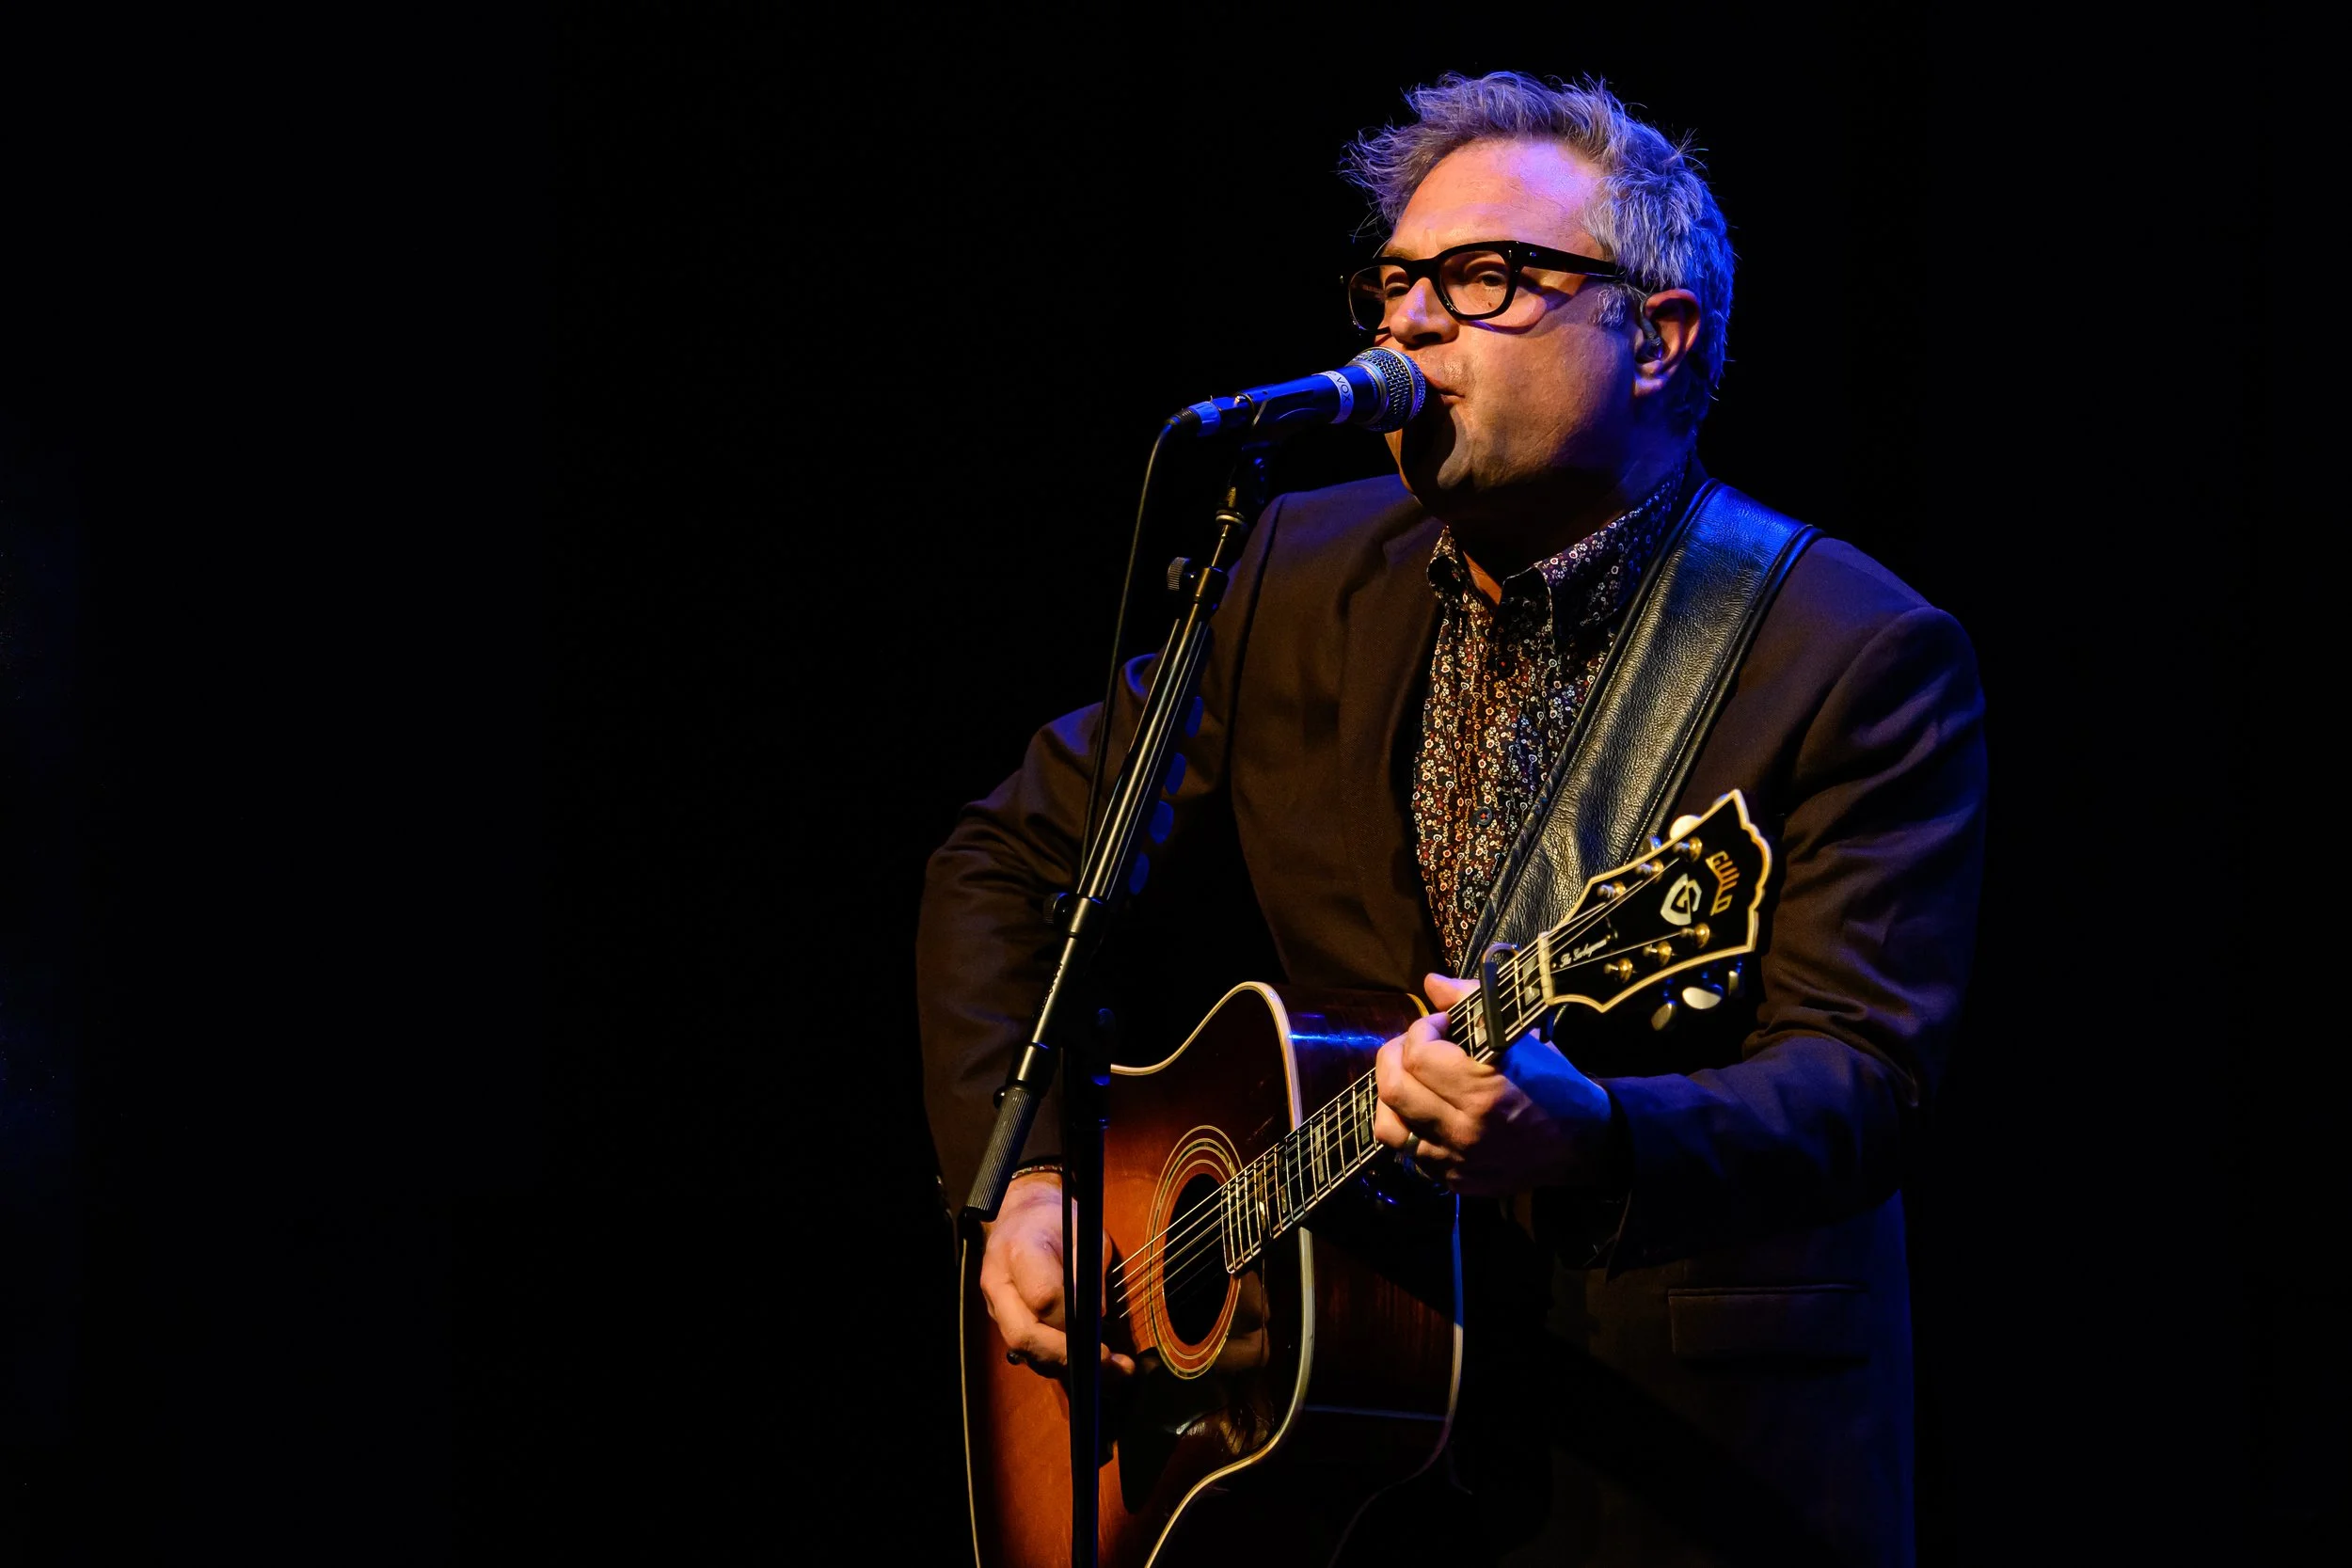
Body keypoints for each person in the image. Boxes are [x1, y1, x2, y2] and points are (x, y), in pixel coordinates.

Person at [919, 71, 1984, 1566]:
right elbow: (1007, 861)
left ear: (1659, 338)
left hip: (1672, 1463)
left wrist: (1595, 1133)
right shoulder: (1294, 569)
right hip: (1320, 1440)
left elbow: (1864, 1080)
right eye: (1397, 280)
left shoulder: (1851, 652)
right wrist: (1033, 1179)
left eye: (1486, 277)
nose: (1410, 322)